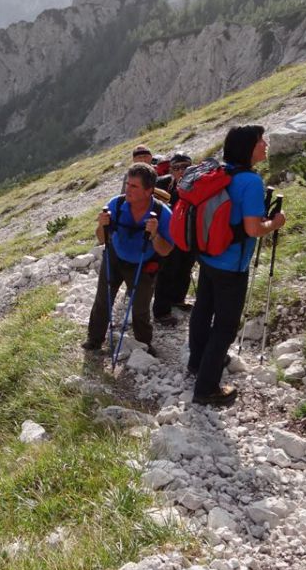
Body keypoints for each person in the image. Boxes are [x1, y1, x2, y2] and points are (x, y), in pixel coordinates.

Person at [187, 126, 285, 406]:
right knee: (226, 326)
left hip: (207, 255)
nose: (265, 145)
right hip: (231, 264)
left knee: (203, 310)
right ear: (247, 148)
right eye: (260, 141)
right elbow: (253, 229)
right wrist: (276, 223)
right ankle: (206, 388)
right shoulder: (250, 182)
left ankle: (197, 363)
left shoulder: (219, 173)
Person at [84, 162, 175, 357]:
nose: (128, 190)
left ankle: (143, 344)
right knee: (103, 299)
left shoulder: (163, 214)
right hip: (115, 257)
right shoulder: (115, 204)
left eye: (134, 186)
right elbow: (102, 238)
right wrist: (101, 225)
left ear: (149, 190)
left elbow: (166, 250)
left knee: (141, 307)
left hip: (144, 264)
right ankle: (94, 339)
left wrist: (155, 234)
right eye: (127, 184)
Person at [152, 152, 195, 326]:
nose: (181, 171)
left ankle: (177, 299)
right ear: (171, 170)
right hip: (168, 233)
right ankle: (161, 311)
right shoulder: (162, 184)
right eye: (177, 168)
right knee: (167, 270)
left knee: (185, 267)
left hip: (189, 233)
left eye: (185, 166)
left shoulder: (198, 184)